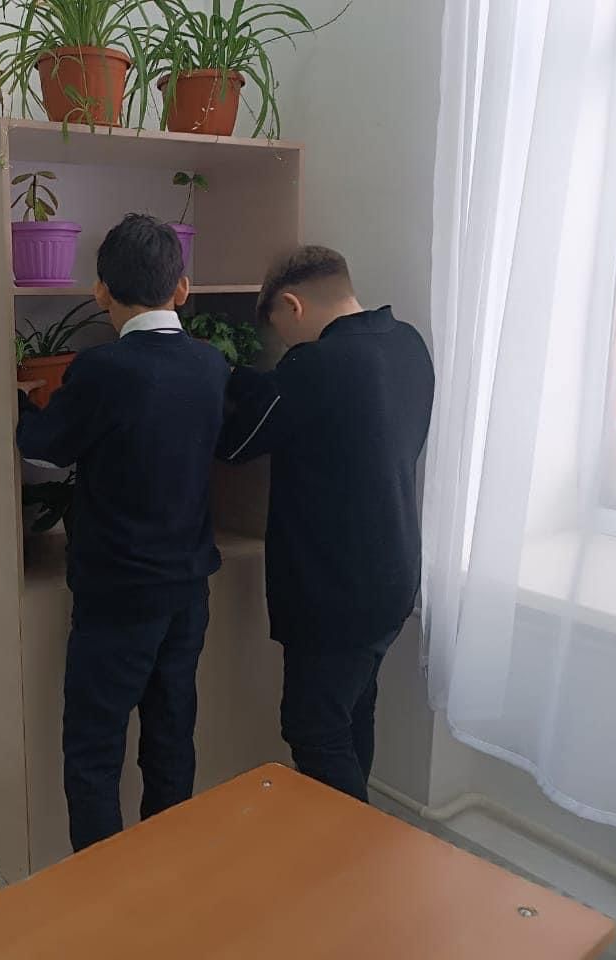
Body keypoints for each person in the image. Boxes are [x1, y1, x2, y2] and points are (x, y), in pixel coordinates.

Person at [16, 214, 229, 853]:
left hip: (117, 591)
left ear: (101, 291)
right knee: (171, 732)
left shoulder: (101, 368)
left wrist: (22, 400)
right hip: (188, 587)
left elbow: (46, 450)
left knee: (94, 744)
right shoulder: (211, 363)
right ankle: (167, 866)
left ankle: (102, 887)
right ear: (182, 289)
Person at [217, 247, 434, 803]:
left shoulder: (316, 365)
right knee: (352, 712)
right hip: (394, 573)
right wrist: (246, 379)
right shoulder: (407, 343)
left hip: (335, 589)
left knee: (313, 729)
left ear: (292, 305)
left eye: (280, 330)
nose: (284, 344)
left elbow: (236, 443)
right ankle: (354, 839)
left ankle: (349, 849)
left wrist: (214, 378)